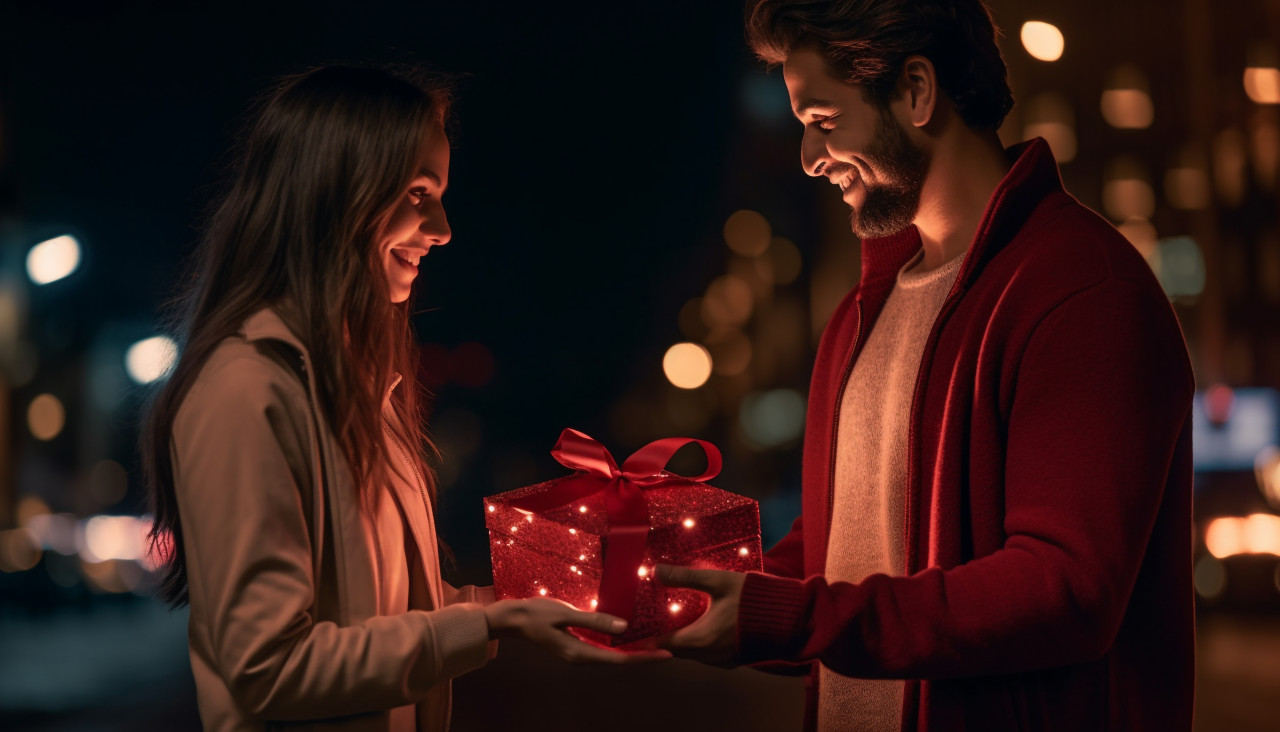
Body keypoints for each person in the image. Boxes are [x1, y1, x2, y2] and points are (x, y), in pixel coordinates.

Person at [656, 2, 1195, 729]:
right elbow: (831, 562)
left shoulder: (1082, 291)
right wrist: (673, 590)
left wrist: (792, 618)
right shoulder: (853, 320)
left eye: (822, 119)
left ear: (915, 91)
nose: (810, 158)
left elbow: (1064, 591)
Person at [141, 65, 663, 732]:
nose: (442, 228)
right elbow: (267, 669)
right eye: (419, 193)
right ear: (335, 192)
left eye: (439, 194)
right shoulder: (247, 388)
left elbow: (378, 620)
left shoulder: (355, 387)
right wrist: (490, 621)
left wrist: (530, 595)